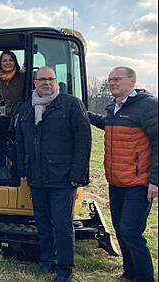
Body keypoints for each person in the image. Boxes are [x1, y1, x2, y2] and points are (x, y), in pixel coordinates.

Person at [16, 67, 91, 282]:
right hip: (37, 176)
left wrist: (78, 174)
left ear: (56, 81)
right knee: (42, 222)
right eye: (42, 79)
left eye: (50, 79)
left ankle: (64, 269)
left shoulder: (71, 105)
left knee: (62, 224)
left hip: (64, 177)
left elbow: (83, 141)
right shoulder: (26, 108)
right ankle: (47, 261)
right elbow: (21, 143)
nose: (47, 83)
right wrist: (23, 170)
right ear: (35, 82)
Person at [88, 66, 157, 282]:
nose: (111, 83)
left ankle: (145, 278)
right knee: (119, 228)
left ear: (131, 82)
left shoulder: (148, 106)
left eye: (116, 79)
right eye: (109, 80)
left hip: (139, 183)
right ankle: (130, 274)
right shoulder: (114, 109)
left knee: (130, 231)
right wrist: (85, 113)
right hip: (116, 181)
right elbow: (108, 124)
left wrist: (155, 181)